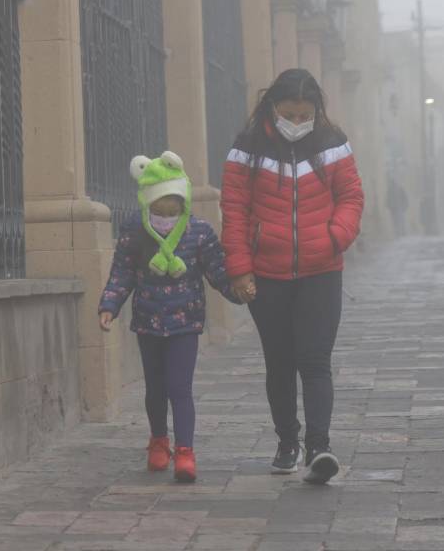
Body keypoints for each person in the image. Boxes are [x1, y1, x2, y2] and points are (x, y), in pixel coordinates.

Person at [220, 68, 364, 484]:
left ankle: (320, 447)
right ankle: (288, 442)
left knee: (315, 360)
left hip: (322, 271)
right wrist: (240, 269)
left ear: (316, 111)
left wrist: (335, 237)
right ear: (272, 108)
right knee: (279, 362)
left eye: (305, 115)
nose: (298, 123)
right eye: (290, 114)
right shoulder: (246, 149)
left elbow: (352, 196)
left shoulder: (333, 145)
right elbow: (234, 211)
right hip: (267, 276)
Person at [98, 151, 241, 483]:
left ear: (184, 202)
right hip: (148, 320)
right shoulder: (135, 229)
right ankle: (159, 441)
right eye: (159, 207)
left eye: (173, 206)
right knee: (155, 388)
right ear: (148, 204)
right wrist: (109, 304)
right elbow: (122, 272)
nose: (166, 214)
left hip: (185, 322)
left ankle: (186, 451)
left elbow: (217, 271)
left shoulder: (200, 232)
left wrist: (239, 292)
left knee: (180, 387)